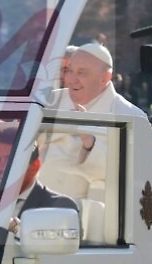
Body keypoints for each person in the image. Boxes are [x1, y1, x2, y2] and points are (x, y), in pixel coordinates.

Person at [41, 43, 146, 201]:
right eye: (69, 71)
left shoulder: (131, 117)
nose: (71, 80)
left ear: (104, 78)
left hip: (93, 213)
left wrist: (90, 143)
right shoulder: (50, 102)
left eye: (81, 73)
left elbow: (138, 174)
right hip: (37, 202)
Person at [0, 126, 77, 217]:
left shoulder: (60, 207)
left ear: (34, 167)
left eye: (10, 160)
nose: (1, 167)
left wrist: (7, 222)